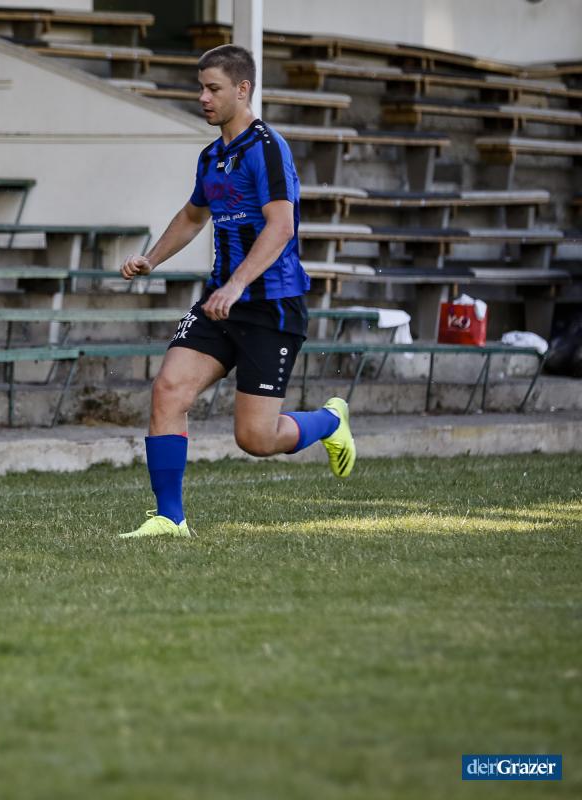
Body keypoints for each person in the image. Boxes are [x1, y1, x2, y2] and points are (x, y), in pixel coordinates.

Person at [119, 44, 356, 540]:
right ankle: (170, 518)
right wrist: (152, 259)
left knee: (256, 438)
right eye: (201, 88)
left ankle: (329, 422)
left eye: (213, 89)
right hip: (219, 303)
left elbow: (281, 226)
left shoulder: (267, 148)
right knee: (169, 390)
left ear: (242, 89)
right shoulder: (212, 156)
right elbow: (193, 216)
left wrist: (237, 284)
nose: (203, 98)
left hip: (271, 306)